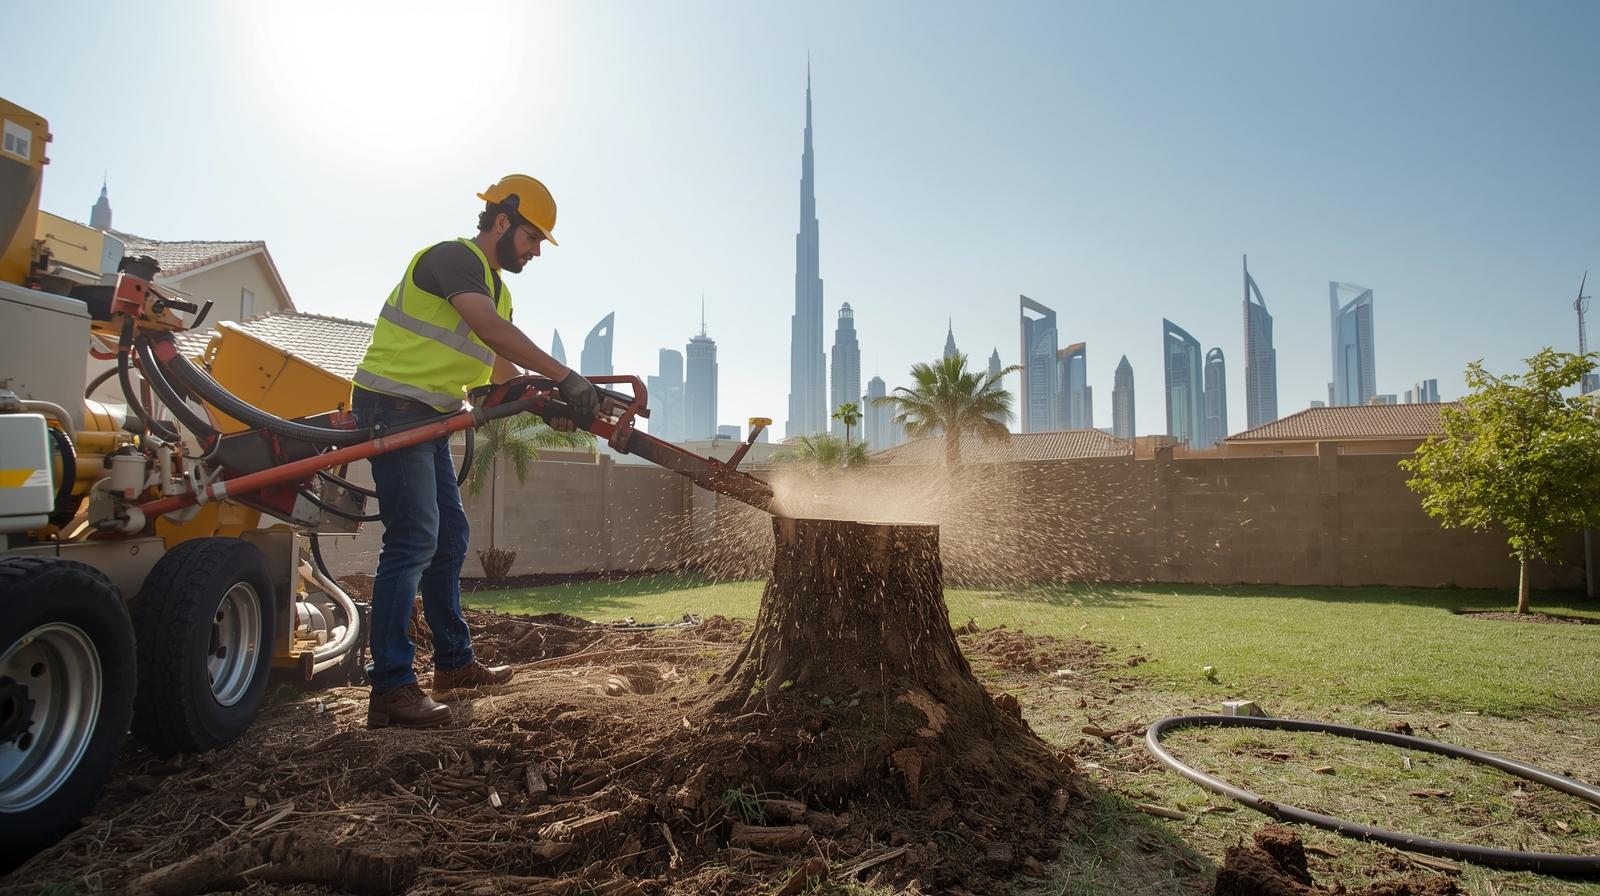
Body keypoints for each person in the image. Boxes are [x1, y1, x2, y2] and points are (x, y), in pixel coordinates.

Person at [351, 174, 600, 729]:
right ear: (504, 220)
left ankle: (454, 665)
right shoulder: (453, 259)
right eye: (534, 238)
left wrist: (548, 402)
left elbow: (498, 373)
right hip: (391, 406)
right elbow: (490, 331)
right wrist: (564, 374)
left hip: (430, 417)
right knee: (414, 536)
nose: (537, 252)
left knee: (450, 537)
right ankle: (390, 687)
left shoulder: (496, 288)